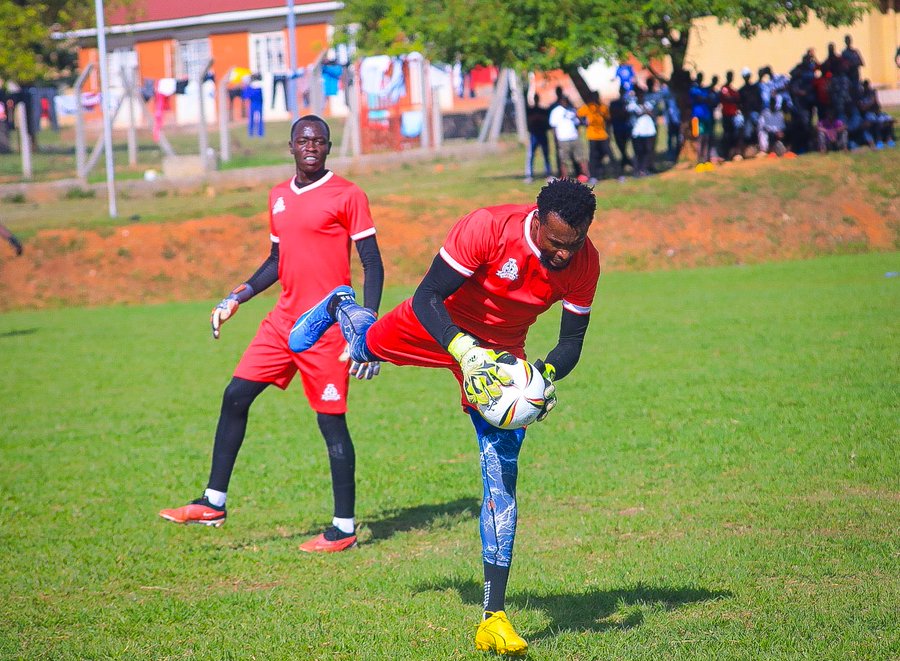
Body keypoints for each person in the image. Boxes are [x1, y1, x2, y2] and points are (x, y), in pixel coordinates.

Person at [289, 178, 599, 656]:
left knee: (501, 476)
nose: (563, 254)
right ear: (536, 220)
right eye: (556, 243)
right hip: (439, 326)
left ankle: (493, 616)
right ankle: (341, 305)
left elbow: (572, 342)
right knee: (363, 347)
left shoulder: (584, 260)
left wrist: (539, 378)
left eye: (573, 244)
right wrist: (463, 350)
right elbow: (427, 295)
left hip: (500, 358)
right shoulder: (488, 228)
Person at [159, 116, 385, 553]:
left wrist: (366, 328)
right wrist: (236, 297)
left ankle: (344, 527)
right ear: (291, 146)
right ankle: (214, 501)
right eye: (304, 140)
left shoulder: (349, 195)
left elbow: (372, 264)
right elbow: (275, 261)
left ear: (328, 146)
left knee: (331, 424)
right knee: (235, 396)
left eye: (319, 141)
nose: (311, 147)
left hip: (325, 328)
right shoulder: (278, 197)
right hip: (281, 323)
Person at [576, 90, 614, 184]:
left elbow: (608, 119)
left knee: (609, 154)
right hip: (592, 136)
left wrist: (608, 131)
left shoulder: (602, 107)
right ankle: (594, 176)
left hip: (603, 135)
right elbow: (578, 114)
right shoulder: (588, 107)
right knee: (593, 156)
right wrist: (584, 122)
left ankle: (616, 174)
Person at [548, 95, 589, 181]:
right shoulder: (556, 111)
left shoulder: (572, 110)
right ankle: (565, 178)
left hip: (574, 137)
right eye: (564, 101)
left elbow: (579, 123)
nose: (565, 102)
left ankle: (586, 175)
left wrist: (577, 114)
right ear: (560, 101)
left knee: (581, 158)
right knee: (564, 160)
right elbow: (554, 127)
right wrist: (556, 140)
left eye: (567, 101)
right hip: (563, 139)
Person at [628, 88, 657, 176]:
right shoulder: (632, 104)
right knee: (638, 152)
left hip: (649, 131)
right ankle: (637, 170)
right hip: (638, 132)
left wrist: (644, 110)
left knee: (648, 151)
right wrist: (644, 110)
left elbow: (651, 112)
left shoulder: (648, 102)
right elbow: (637, 113)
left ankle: (645, 169)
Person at [524, 93, 552, 183]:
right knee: (531, 155)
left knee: (546, 154)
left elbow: (546, 122)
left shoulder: (542, 110)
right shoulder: (530, 111)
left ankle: (548, 174)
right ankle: (529, 175)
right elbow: (530, 121)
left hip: (542, 134)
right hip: (534, 135)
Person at [609, 87, 633, 174]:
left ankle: (626, 161)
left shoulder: (628, 102)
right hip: (618, 128)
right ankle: (626, 161)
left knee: (625, 146)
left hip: (626, 128)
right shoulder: (614, 103)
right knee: (621, 146)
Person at [719, 71, 742, 159]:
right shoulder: (724, 88)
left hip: (733, 115)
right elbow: (729, 98)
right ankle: (725, 155)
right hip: (726, 115)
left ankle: (732, 154)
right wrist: (733, 99)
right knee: (727, 135)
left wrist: (734, 99)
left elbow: (737, 99)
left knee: (733, 135)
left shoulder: (732, 90)